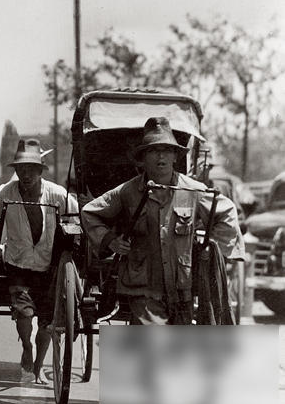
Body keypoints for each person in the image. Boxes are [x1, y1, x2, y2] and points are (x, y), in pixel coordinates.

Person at [81, 117, 245, 326]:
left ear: (175, 156)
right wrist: (110, 240)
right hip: (142, 288)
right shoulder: (127, 191)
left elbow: (226, 211)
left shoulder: (192, 190)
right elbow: (89, 212)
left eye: (167, 150)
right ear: (142, 158)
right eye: (153, 150)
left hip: (181, 289)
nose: (161, 156)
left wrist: (211, 249)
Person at [0, 139, 78, 384]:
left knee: (46, 322)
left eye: (31, 169)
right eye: (21, 169)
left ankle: (38, 366)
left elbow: (78, 219)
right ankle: (26, 346)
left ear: (40, 170)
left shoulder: (57, 194)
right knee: (24, 314)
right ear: (16, 171)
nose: (26, 174)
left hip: (49, 266)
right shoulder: (5, 193)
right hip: (18, 264)